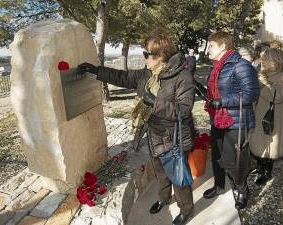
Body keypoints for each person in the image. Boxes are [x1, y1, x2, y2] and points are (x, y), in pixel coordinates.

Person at [77, 28, 196, 225]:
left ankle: (186, 209)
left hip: (173, 136)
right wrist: (97, 70)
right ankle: (165, 199)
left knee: (177, 175)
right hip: (154, 134)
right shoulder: (147, 75)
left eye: (146, 54)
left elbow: (183, 111)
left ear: (160, 56)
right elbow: (123, 77)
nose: (144, 58)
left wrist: (153, 101)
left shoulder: (182, 77)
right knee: (160, 172)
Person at [202, 31, 259, 210]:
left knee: (234, 160)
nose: (207, 50)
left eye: (211, 46)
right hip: (217, 117)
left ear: (223, 46)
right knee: (217, 157)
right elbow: (215, 90)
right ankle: (219, 186)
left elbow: (251, 93)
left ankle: (242, 189)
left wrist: (223, 102)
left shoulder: (241, 65)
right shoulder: (216, 66)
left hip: (236, 122)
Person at [249, 48, 283, 185]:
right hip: (259, 113)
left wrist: (264, 84)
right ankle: (260, 167)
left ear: (274, 61)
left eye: (265, 59)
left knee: (269, 144)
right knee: (258, 143)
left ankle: (266, 172)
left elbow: (279, 97)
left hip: (272, 118)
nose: (262, 62)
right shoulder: (262, 74)